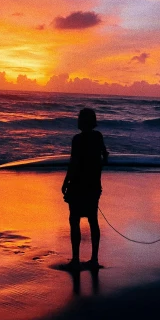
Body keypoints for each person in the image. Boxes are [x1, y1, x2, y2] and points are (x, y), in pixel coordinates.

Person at [61, 107, 108, 269]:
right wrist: (98, 167)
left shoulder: (77, 139)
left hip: (78, 184)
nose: (78, 120)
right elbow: (105, 156)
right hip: (94, 185)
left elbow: (73, 163)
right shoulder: (98, 137)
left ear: (83, 122)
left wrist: (66, 182)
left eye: (79, 118)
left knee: (74, 220)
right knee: (92, 220)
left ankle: (75, 259)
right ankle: (94, 259)